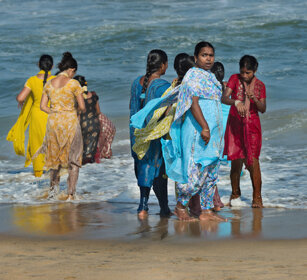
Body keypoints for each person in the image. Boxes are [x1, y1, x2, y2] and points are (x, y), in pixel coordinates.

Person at [162, 41, 227, 222]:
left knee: (211, 170)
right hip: (198, 131)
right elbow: (193, 103)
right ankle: (180, 207)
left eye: (211, 55)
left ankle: (206, 211)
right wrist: (204, 127)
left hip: (213, 133)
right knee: (194, 171)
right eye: (204, 55)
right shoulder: (193, 76)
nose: (208, 58)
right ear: (196, 57)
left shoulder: (211, 77)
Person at [36, 52, 85, 200]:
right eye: (73, 72)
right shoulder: (74, 83)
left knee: (55, 159)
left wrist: (56, 112)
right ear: (72, 70)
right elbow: (82, 107)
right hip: (70, 122)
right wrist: (71, 111)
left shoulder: (49, 84)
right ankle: (70, 194)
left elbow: (42, 106)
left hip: (53, 123)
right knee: (74, 160)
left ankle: (53, 192)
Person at [130, 49, 171, 219]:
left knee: (142, 167)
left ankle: (143, 206)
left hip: (137, 134)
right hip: (154, 135)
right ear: (163, 65)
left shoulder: (135, 83)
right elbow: (168, 113)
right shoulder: (164, 86)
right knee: (159, 172)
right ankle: (164, 208)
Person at [221, 55, 266, 208]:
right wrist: (236, 101)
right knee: (236, 161)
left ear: (255, 70)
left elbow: (263, 109)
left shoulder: (260, 85)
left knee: (253, 161)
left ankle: (257, 198)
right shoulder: (234, 79)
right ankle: (235, 194)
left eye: (248, 73)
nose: (245, 76)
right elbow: (224, 98)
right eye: (243, 72)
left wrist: (255, 99)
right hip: (235, 125)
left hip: (252, 127)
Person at [7, 55, 55, 177]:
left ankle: (38, 173)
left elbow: (20, 97)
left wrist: (24, 101)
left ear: (38, 65)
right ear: (52, 66)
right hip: (52, 114)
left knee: (37, 142)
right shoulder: (56, 79)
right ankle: (53, 171)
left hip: (37, 115)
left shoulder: (32, 80)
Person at [74, 75, 101, 165]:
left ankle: (84, 169)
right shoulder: (94, 95)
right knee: (91, 150)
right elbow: (98, 112)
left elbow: (77, 114)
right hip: (95, 124)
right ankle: (93, 169)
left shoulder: (77, 98)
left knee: (82, 149)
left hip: (83, 125)